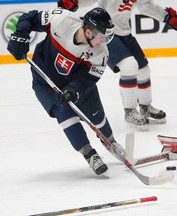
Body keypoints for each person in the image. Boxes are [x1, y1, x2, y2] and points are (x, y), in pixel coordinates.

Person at [7, 7, 126, 177]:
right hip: (45, 81)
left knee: (97, 117)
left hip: (76, 85)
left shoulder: (100, 53)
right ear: (88, 31)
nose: (104, 40)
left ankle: (110, 142)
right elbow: (31, 17)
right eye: (101, 36)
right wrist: (21, 35)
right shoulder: (61, 20)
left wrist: (74, 90)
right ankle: (89, 154)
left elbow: (88, 78)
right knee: (64, 114)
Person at [58, 0, 177, 130]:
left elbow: (146, 6)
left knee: (143, 70)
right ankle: (130, 112)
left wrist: (166, 17)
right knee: (129, 66)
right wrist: (74, 2)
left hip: (124, 32)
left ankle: (145, 107)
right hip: (105, 33)